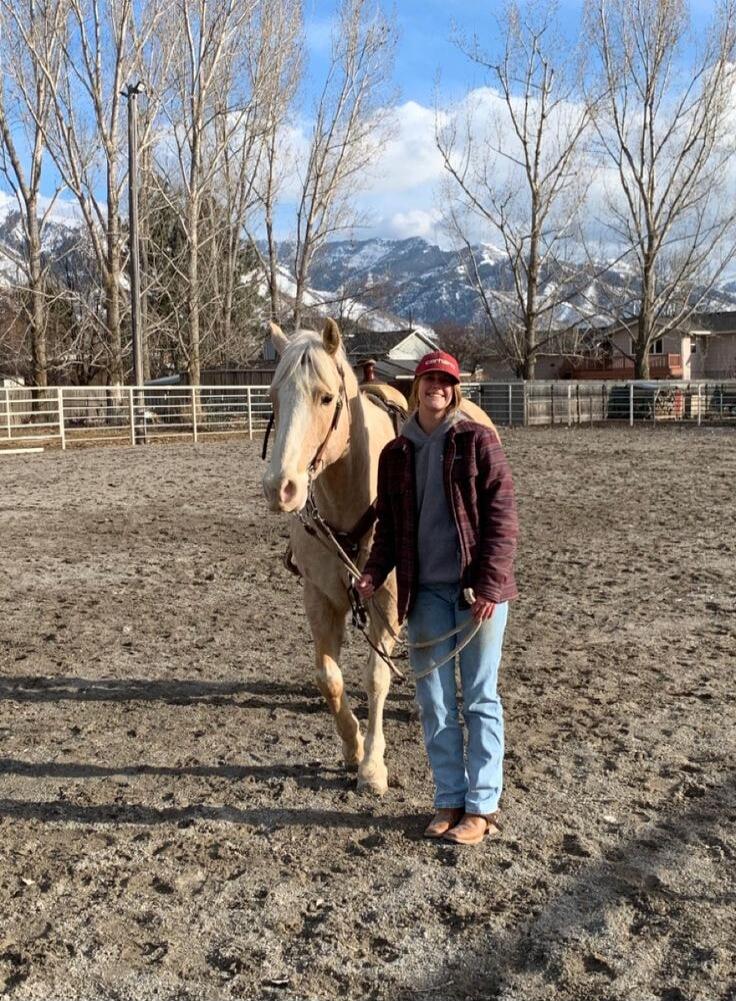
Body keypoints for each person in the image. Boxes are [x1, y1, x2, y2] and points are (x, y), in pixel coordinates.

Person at [356, 350, 518, 845]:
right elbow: (389, 527)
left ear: (455, 389)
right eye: (430, 379)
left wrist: (491, 583)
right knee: (435, 703)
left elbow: (502, 516)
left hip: (476, 596)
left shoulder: (476, 440)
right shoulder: (396, 454)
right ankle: (449, 798)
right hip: (423, 594)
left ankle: (482, 804)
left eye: (446, 381)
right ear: (416, 386)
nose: (437, 388)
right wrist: (373, 571)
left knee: (480, 698)